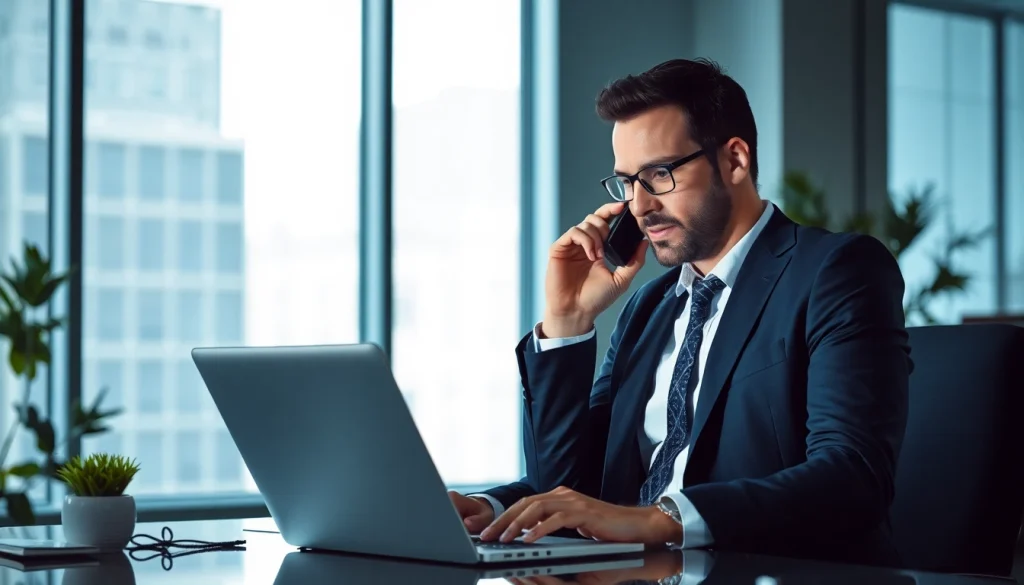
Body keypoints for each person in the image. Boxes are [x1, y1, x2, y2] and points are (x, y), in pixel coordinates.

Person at [448, 58, 911, 567]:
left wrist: (660, 519)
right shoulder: (650, 305)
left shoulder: (836, 271)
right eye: (627, 182)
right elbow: (571, 484)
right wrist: (567, 321)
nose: (639, 206)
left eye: (659, 174)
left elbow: (852, 476)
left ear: (734, 160)